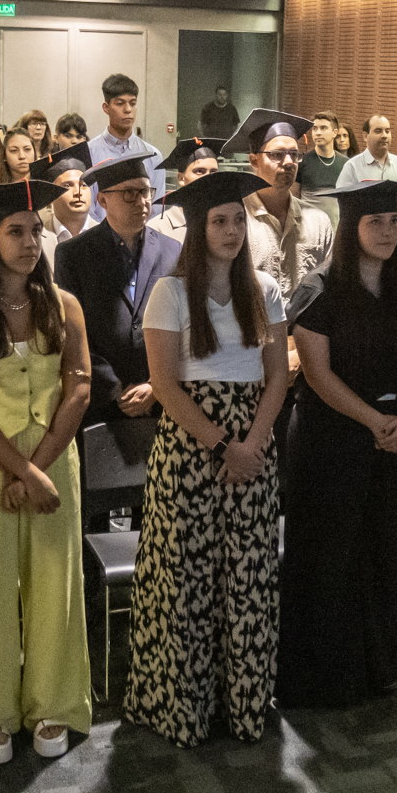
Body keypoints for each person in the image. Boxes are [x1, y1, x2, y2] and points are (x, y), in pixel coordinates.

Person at [128, 170, 289, 747]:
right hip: (191, 447)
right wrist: (225, 446)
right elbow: (165, 386)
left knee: (248, 577)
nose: (230, 230)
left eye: (237, 220)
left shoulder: (264, 289)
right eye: (218, 221)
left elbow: (277, 378)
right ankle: (185, 709)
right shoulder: (170, 292)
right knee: (186, 581)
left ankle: (243, 704)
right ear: (199, 230)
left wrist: (253, 443)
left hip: (254, 442)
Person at [0, 180, 94, 764]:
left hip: (54, 459)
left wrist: (37, 469)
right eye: (16, 232)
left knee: (55, 585)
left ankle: (53, 704)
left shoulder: (64, 303)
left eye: (36, 231)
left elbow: (78, 388)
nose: (30, 242)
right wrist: (19, 471)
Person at [278, 180, 397, 707]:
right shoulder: (320, 289)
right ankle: (326, 674)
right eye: (375, 223)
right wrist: (375, 421)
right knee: (331, 555)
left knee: (390, 549)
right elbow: (318, 375)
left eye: (393, 222)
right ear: (351, 228)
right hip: (333, 439)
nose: (388, 232)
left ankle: (382, 665)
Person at [55, 155, 182, 425]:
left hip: (163, 398)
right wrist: (114, 388)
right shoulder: (73, 254)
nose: (142, 201)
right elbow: (72, 332)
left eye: (145, 191)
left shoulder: (172, 250)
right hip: (98, 401)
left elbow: (184, 324)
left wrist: (155, 385)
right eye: (129, 193)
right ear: (102, 200)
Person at [225, 108, 334, 326]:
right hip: (250, 334)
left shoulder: (318, 222)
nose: (288, 161)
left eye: (294, 154)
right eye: (277, 155)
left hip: (304, 337)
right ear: (254, 160)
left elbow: (329, 290)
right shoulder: (236, 221)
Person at [87, 74, 164, 221]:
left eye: (133, 103)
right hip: (100, 232)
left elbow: (156, 210)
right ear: (106, 108)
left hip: (143, 232)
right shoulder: (89, 152)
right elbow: (87, 210)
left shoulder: (153, 155)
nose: (128, 109)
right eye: (120, 103)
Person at [146, 136, 223, 244]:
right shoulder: (157, 229)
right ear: (181, 178)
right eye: (199, 171)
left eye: (213, 172)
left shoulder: (225, 221)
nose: (208, 178)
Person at [37, 142, 97, 244]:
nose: (78, 192)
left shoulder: (108, 237)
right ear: (50, 195)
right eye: (67, 186)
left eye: (83, 185)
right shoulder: (37, 239)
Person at [337, 115, 397, 186]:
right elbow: (342, 195)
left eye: (387, 131)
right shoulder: (352, 167)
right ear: (365, 136)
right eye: (378, 131)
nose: (384, 136)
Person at [299, 111, 349, 193]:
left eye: (323, 128)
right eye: (314, 128)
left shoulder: (346, 163)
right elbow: (294, 198)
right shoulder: (302, 162)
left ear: (334, 133)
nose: (318, 133)